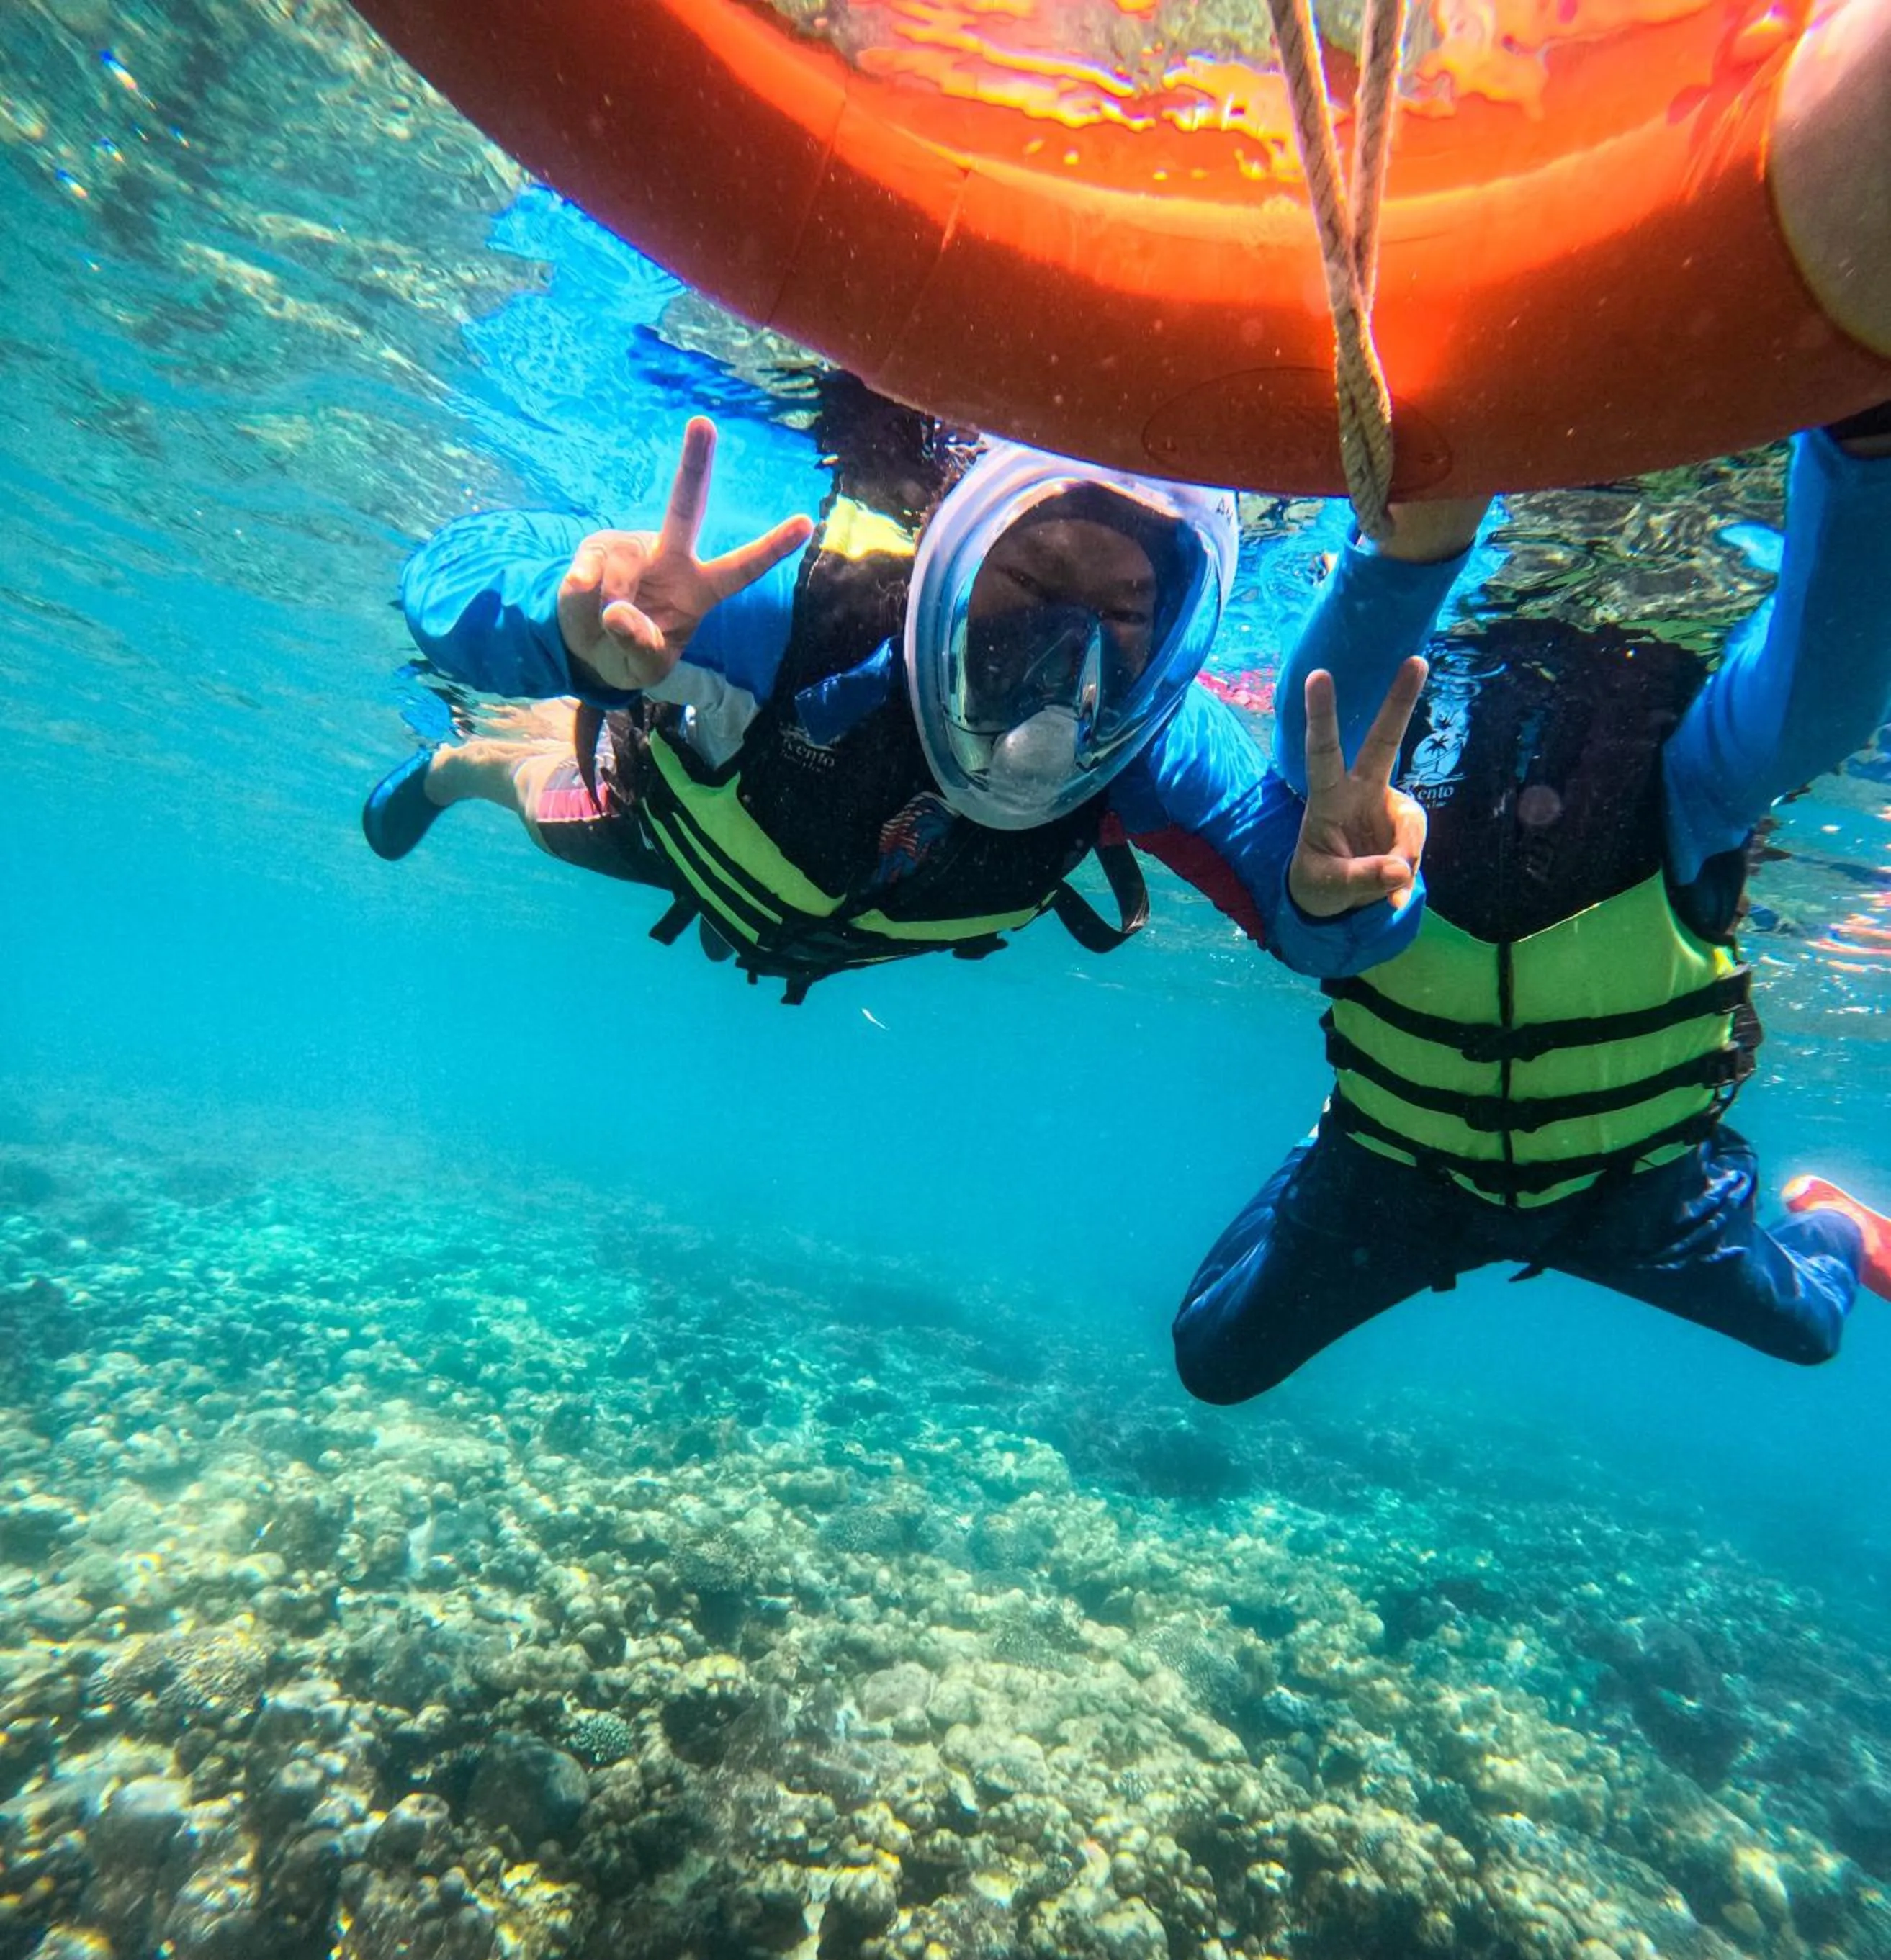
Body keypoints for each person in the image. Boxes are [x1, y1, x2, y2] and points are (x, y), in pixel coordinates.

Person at [1172, 405, 1891, 1402]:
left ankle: (1837, 1224)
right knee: (1212, 1357)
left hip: (1640, 1190)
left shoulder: (1688, 793)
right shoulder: (1391, 793)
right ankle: (1312, 1162)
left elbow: (1814, 701)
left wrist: (1860, 456)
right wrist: (1417, 547)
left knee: (1811, 1325)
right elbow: (1326, 731)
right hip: (1396, 1173)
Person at [364, 397, 1435, 1003]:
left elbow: (1320, 935)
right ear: (951, 573)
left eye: (1120, 614)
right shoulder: (804, 615)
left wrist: (1345, 892)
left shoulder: (1151, 740)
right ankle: (457, 765)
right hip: (659, 833)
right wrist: (565, 624)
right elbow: (452, 575)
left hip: (817, 919)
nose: (1064, 666)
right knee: (540, 787)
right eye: (1026, 588)